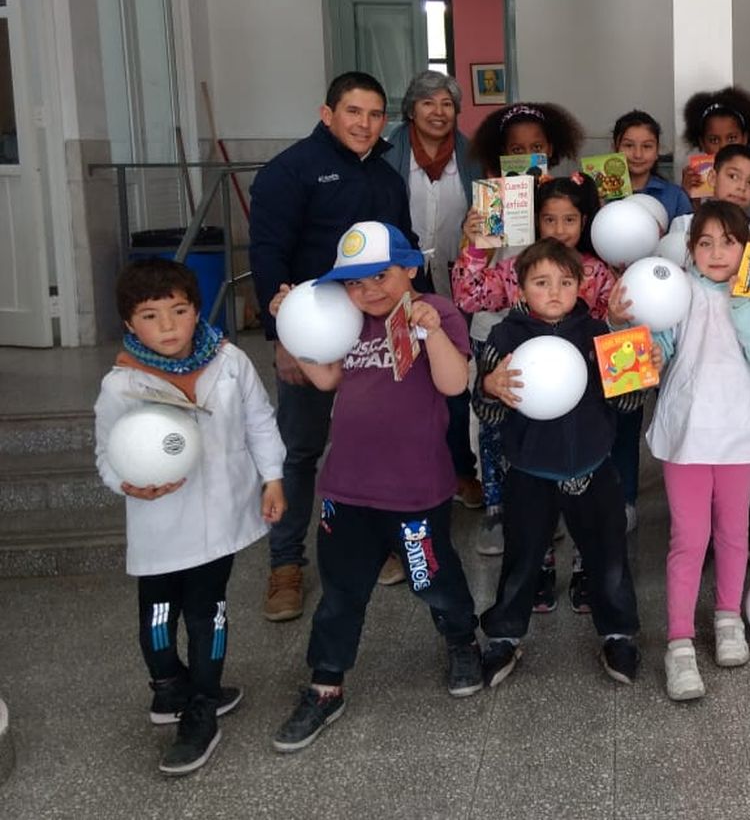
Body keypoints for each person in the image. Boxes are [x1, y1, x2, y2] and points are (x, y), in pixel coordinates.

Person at [267, 222, 482, 752]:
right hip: (348, 489)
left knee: (429, 577)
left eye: (381, 276)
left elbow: (455, 384)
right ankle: (326, 683)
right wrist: (295, 324)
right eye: (356, 283)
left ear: (409, 268)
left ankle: (460, 640)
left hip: (415, 490)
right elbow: (328, 379)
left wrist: (431, 330)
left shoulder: (436, 311)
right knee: (341, 592)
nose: (369, 291)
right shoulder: (349, 321)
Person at [94, 259, 286, 776]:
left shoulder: (229, 361)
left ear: (197, 309)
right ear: (130, 325)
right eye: (151, 316)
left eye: (179, 311)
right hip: (159, 523)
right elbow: (106, 453)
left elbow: (259, 422)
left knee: (208, 612)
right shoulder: (121, 385)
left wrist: (272, 478)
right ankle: (168, 684)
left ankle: (202, 705)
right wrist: (126, 482)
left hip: (218, 519)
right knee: (157, 617)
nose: (169, 326)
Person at [249, 71, 415, 622]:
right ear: (327, 115)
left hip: (377, 330)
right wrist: (283, 341)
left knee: (373, 439)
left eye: (374, 114)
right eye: (353, 112)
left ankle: (379, 543)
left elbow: (404, 248)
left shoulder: (388, 178)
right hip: (312, 334)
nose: (365, 124)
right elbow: (268, 255)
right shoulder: (289, 172)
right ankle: (285, 564)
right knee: (300, 450)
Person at [471, 239, 644, 688]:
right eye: (541, 282)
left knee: (608, 556)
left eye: (565, 282)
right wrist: (490, 387)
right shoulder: (503, 339)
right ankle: (505, 635)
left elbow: (628, 404)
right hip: (529, 468)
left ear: (580, 285)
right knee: (523, 556)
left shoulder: (598, 332)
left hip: (593, 463)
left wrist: (634, 358)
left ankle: (618, 631)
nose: (554, 292)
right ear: (520, 288)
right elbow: (488, 411)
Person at [640, 201, 750, 700]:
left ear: (747, 248)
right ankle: (679, 642)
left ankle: (729, 618)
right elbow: (654, 353)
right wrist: (636, 334)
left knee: (733, 531)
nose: (718, 252)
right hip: (687, 436)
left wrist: (746, 301)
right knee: (689, 537)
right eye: (706, 242)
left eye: (729, 241)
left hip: (741, 432)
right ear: (691, 250)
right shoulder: (678, 293)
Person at [453, 174, 616, 586]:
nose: (559, 230)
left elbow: (617, 325)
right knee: (532, 505)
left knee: (589, 505)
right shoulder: (518, 268)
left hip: (587, 408)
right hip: (531, 413)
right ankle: (539, 566)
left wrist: (623, 316)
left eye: (569, 220)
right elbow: (470, 296)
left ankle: (584, 568)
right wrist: (476, 246)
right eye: (549, 220)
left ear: (585, 222)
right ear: (535, 221)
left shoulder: (597, 271)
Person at [383, 71, 484, 514]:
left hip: (452, 278)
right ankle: (413, 474)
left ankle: (462, 470)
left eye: (447, 104)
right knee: (403, 377)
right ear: (411, 109)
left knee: (454, 377)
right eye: (429, 103)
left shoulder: (472, 157)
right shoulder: (387, 155)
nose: (439, 112)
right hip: (400, 280)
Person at [613, 109, 693, 220]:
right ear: (615, 149)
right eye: (629, 145)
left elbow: (685, 235)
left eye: (647, 146)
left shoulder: (676, 197)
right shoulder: (600, 196)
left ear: (657, 151)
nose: (638, 154)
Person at [470, 101, 586, 174]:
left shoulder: (562, 194)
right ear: (504, 152)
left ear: (550, 149)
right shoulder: (494, 196)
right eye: (517, 150)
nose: (528, 157)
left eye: (537, 147)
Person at [682, 85, 750, 156]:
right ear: (702, 143)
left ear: (745, 139)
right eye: (714, 140)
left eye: (732, 138)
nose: (723, 147)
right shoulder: (697, 173)